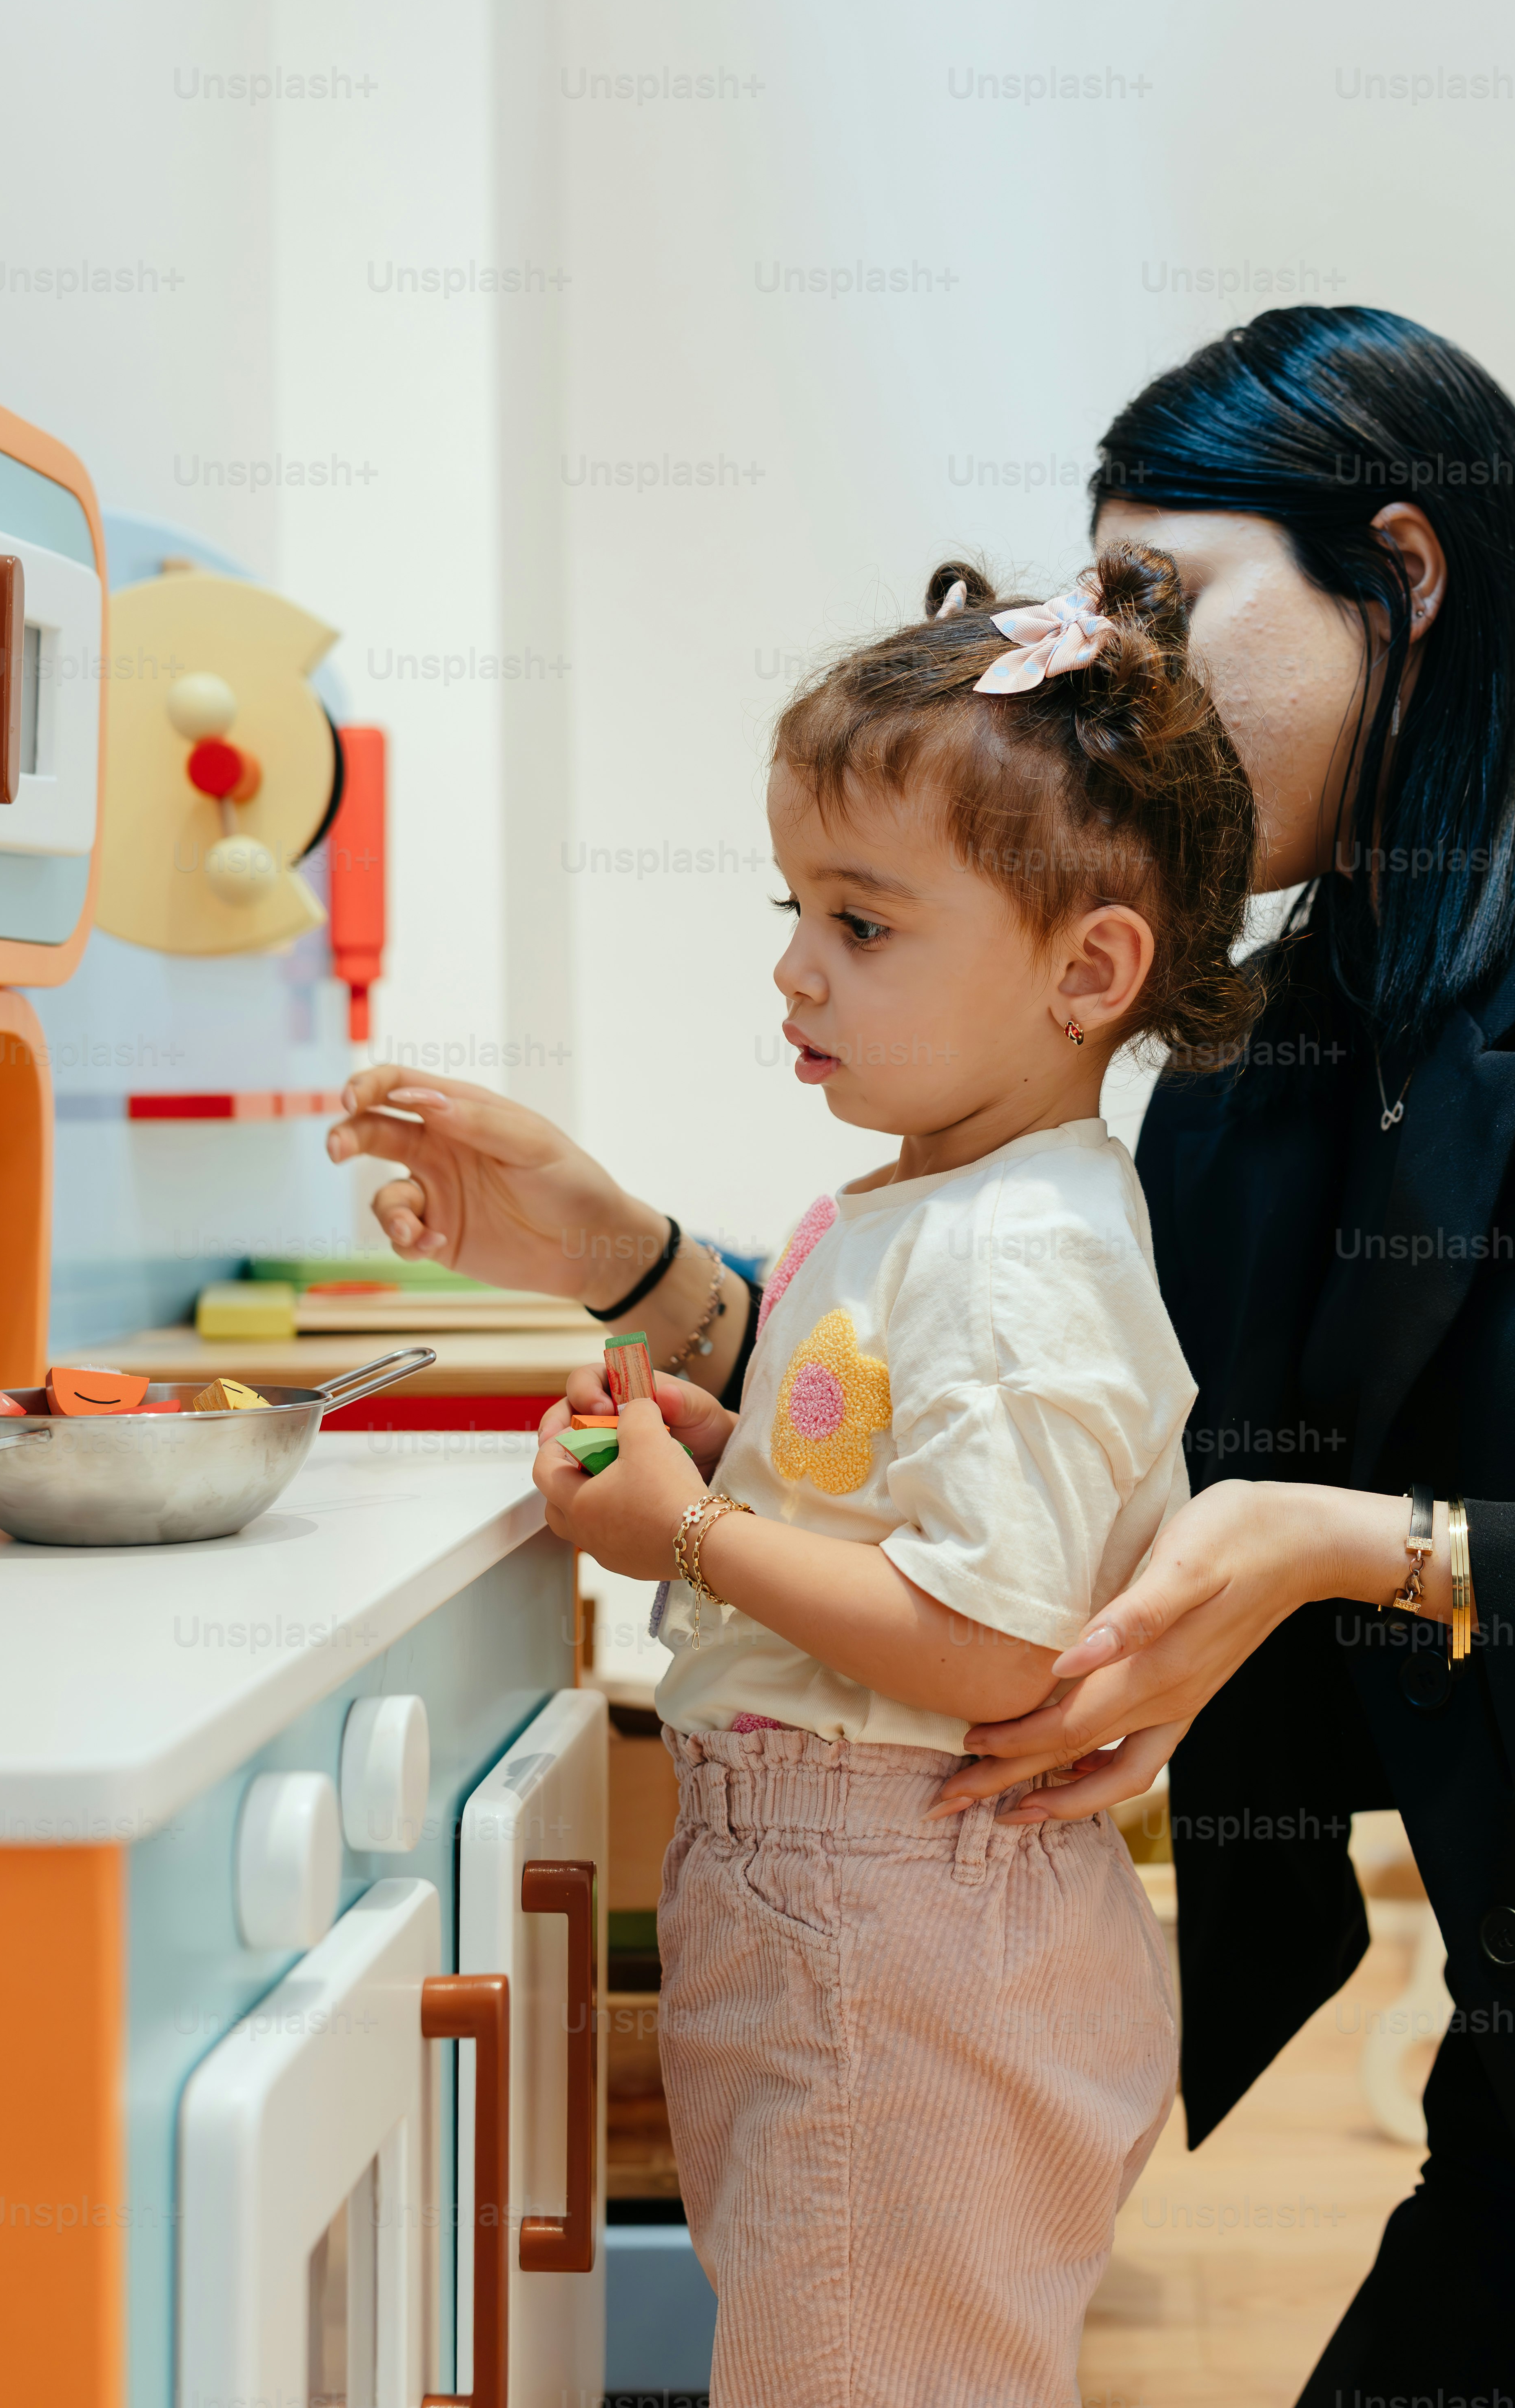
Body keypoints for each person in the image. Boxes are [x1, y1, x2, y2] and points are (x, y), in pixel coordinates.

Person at [330, 308, 1515, 2404]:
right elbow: (1011, 1432)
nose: (1111, 661)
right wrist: (624, 1263)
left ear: (1398, 576)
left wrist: (1377, 1544)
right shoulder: (1258, 1058)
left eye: (1161, 597)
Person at [501, 548, 1255, 2406]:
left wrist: (687, 1531)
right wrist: (730, 1451)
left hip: (893, 1933)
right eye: (793, 905)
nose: (791, 963)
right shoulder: (926, 1204)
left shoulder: (1018, 1247)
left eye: (862, 921)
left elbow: (989, 1645)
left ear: (1087, 971)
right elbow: (892, 1486)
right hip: (855, 1917)